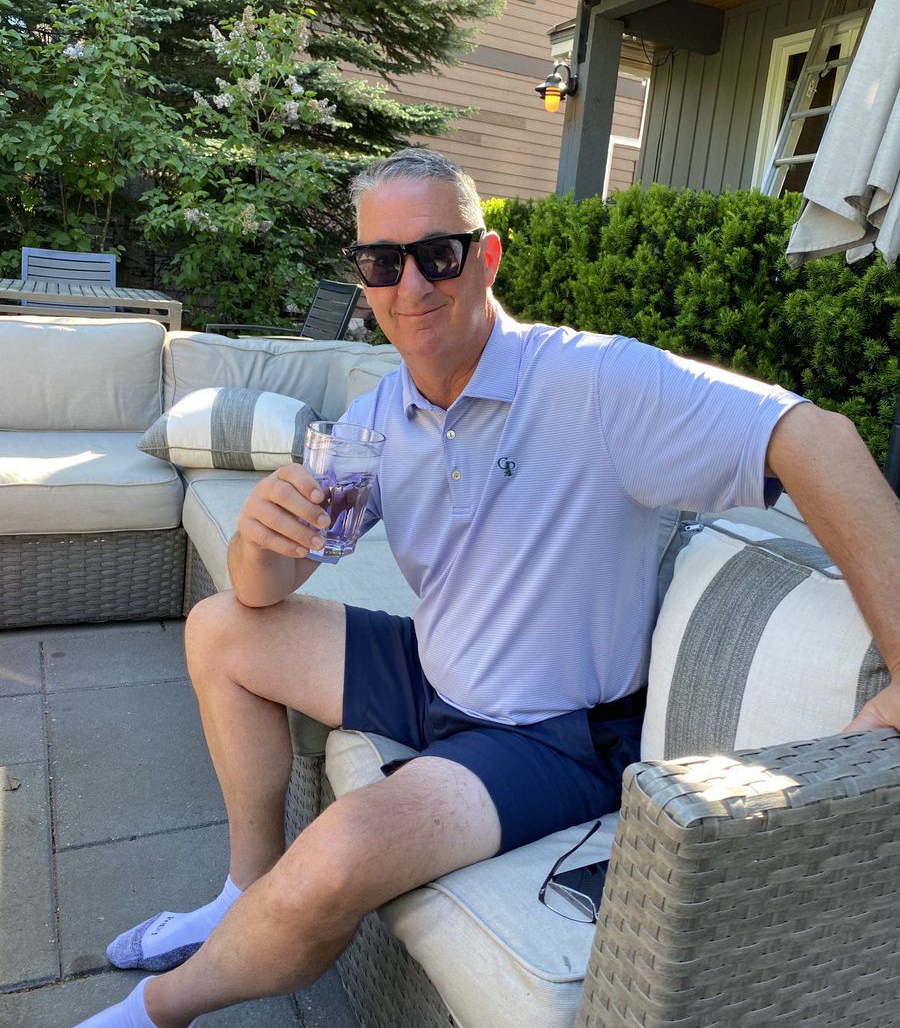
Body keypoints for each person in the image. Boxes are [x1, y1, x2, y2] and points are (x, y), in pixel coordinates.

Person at [74, 148, 900, 1028]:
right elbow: (267, 588)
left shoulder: (595, 383)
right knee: (218, 629)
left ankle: (150, 1013)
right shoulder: (380, 419)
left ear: (488, 256)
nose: (411, 284)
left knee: (339, 854)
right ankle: (242, 889)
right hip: (437, 674)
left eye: (438, 253)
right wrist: (260, 540)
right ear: (363, 275)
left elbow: (816, 439)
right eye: (382, 262)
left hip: (550, 735)